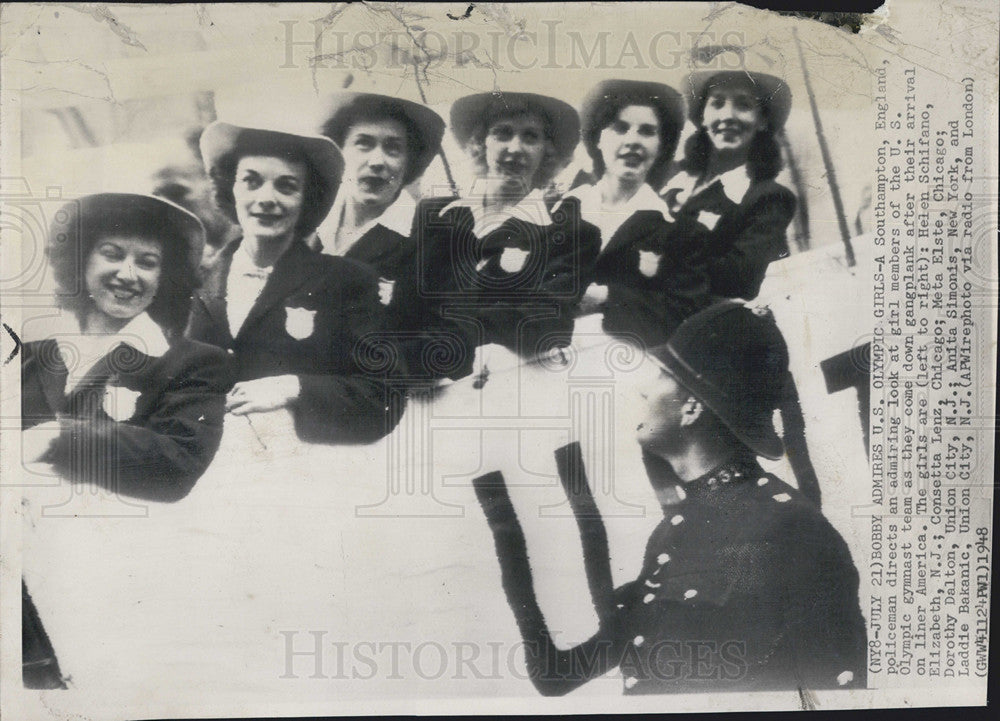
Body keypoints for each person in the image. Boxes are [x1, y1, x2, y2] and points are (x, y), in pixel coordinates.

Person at [473, 301, 867, 694]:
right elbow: (557, 677)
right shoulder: (671, 535)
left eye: (662, 374)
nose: (645, 388)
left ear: (692, 407)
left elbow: (832, 693)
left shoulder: (791, 529)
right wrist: (503, 529)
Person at [20, 192, 231, 688]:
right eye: (112, 253)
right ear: (80, 259)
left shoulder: (190, 360)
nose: (128, 274)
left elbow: (178, 462)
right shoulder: (32, 348)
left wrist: (54, 439)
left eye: (148, 262)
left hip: (109, 579)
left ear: (166, 276)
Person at [187, 121, 403, 443]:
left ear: (307, 200)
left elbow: (383, 398)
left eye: (287, 186)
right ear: (231, 189)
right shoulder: (197, 281)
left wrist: (293, 387)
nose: (267, 198)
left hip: (304, 472)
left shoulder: (347, 280)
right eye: (251, 181)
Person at [416, 91, 600, 378]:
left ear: (547, 152)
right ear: (480, 143)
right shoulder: (434, 216)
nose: (515, 149)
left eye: (530, 137)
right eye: (502, 134)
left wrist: (445, 331)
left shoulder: (569, 235)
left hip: (498, 387)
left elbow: (546, 325)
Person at [313, 93, 464, 381]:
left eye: (393, 149)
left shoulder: (437, 238)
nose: (377, 161)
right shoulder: (311, 230)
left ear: (409, 164)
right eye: (364, 143)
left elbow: (451, 349)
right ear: (338, 151)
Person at [565, 79, 709, 346]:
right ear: (597, 139)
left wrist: (607, 297)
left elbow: (685, 318)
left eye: (647, 131)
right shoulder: (560, 212)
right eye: (620, 128)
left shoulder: (681, 233)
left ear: (661, 146)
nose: (633, 141)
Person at [661, 48, 796, 302]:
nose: (728, 116)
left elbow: (739, 280)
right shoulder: (671, 177)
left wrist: (656, 256)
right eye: (717, 103)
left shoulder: (768, 198)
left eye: (744, 105)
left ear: (762, 121)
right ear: (702, 116)